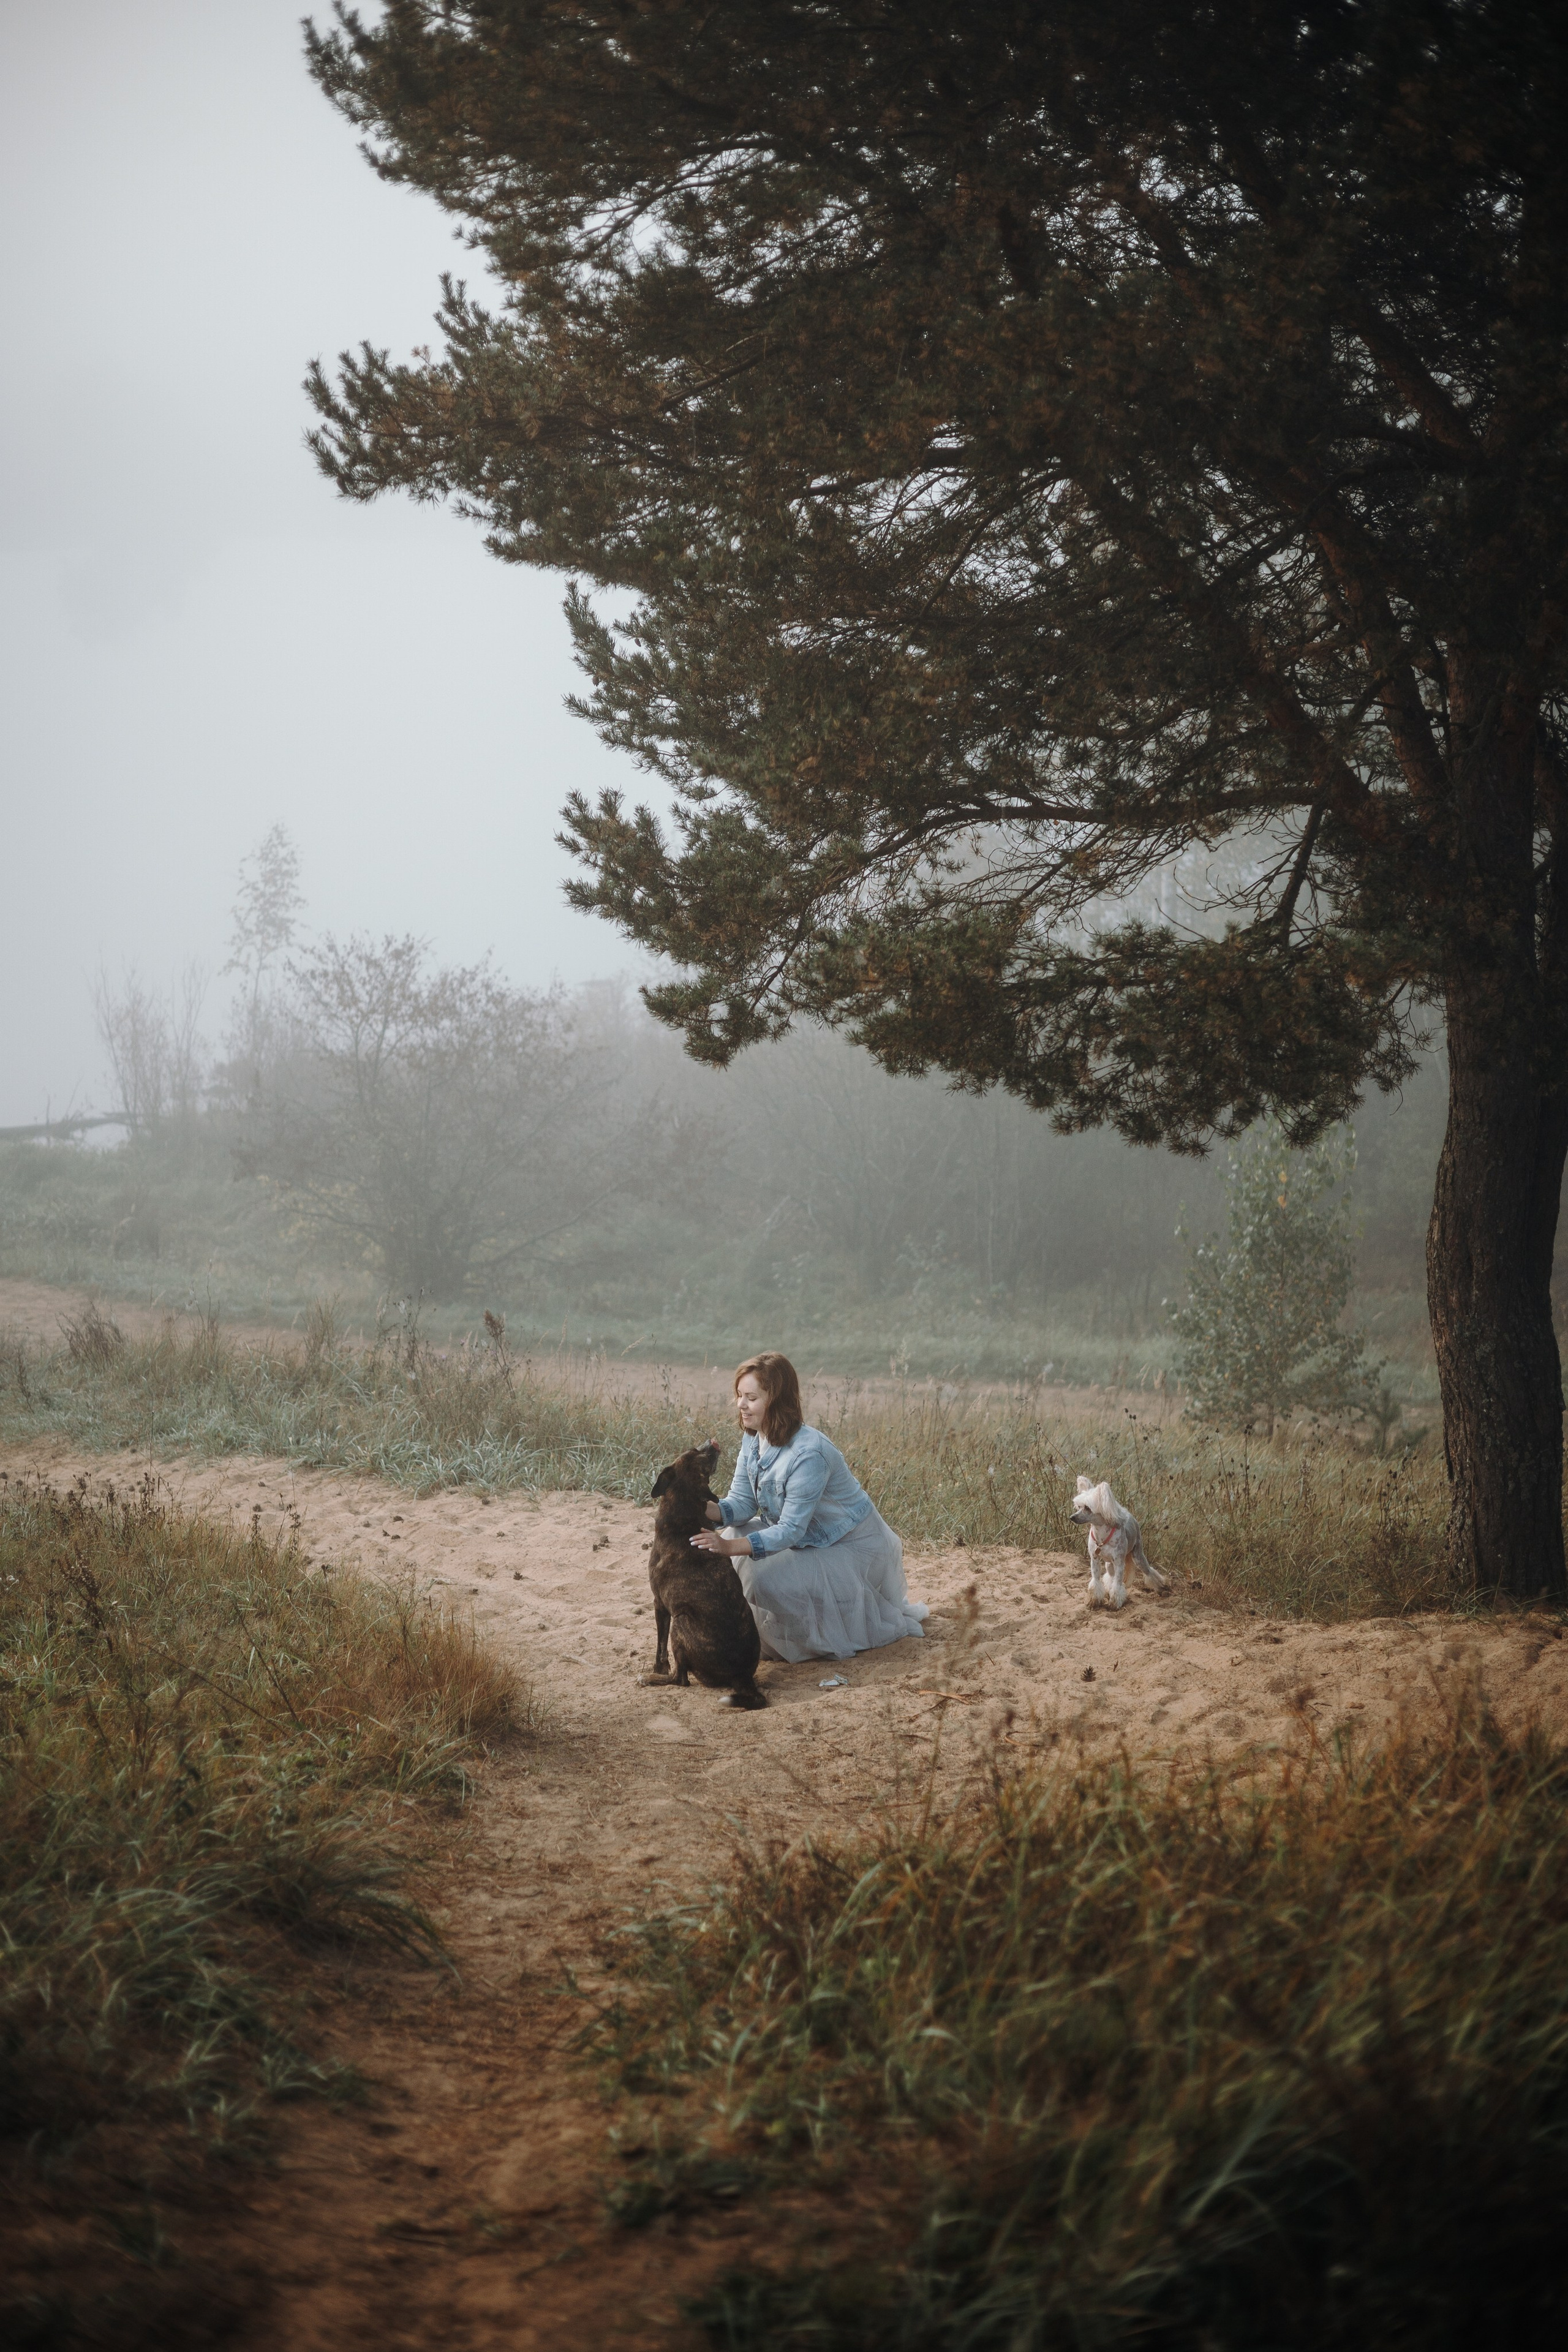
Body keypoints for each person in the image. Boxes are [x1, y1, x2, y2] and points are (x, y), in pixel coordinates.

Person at [688, 1352, 927, 1664]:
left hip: (849, 1545)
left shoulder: (809, 1453)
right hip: (807, 1537)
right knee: (734, 1534)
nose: (741, 1405)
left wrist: (728, 1546)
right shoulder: (753, 1438)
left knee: (753, 1569)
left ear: (776, 1401)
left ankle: (814, 1631)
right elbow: (743, 1503)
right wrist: (700, 1508)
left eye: (751, 1397)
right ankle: (753, 1628)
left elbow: (790, 1530)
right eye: (739, 1395)